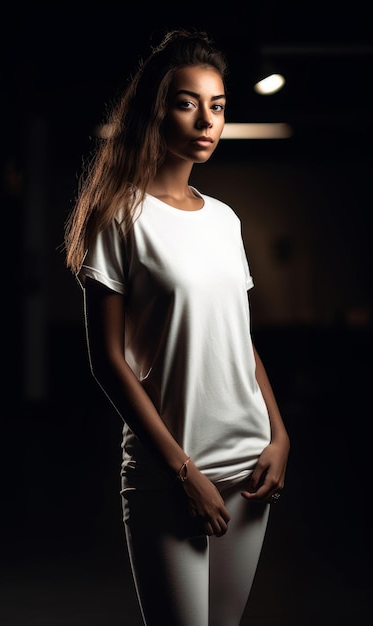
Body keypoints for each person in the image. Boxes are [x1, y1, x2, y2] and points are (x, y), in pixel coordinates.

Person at [64, 28, 290, 626]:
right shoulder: (118, 216)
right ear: (156, 109)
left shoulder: (225, 220)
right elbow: (107, 360)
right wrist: (183, 474)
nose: (205, 121)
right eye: (188, 103)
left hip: (248, 468)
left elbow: (239, 342)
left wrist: (280, 434)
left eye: (217, 106)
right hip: (171, 471)